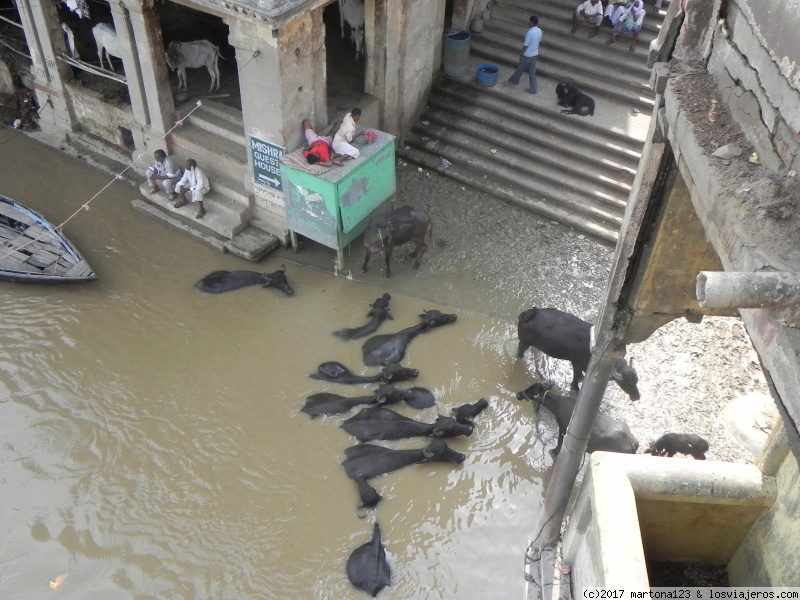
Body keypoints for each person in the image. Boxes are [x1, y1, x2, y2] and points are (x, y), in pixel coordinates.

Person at [506, 15, 542, 94]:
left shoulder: (529, 33)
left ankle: (513, 81)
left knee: (520, 68)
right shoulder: (539, 30)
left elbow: (525, 45)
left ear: (531, 22)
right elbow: (539, 41)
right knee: (532, 71)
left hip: (527, 54)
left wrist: (521, 53)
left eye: (529, 21)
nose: (528, 22)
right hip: (535, 53)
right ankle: (533, 89)